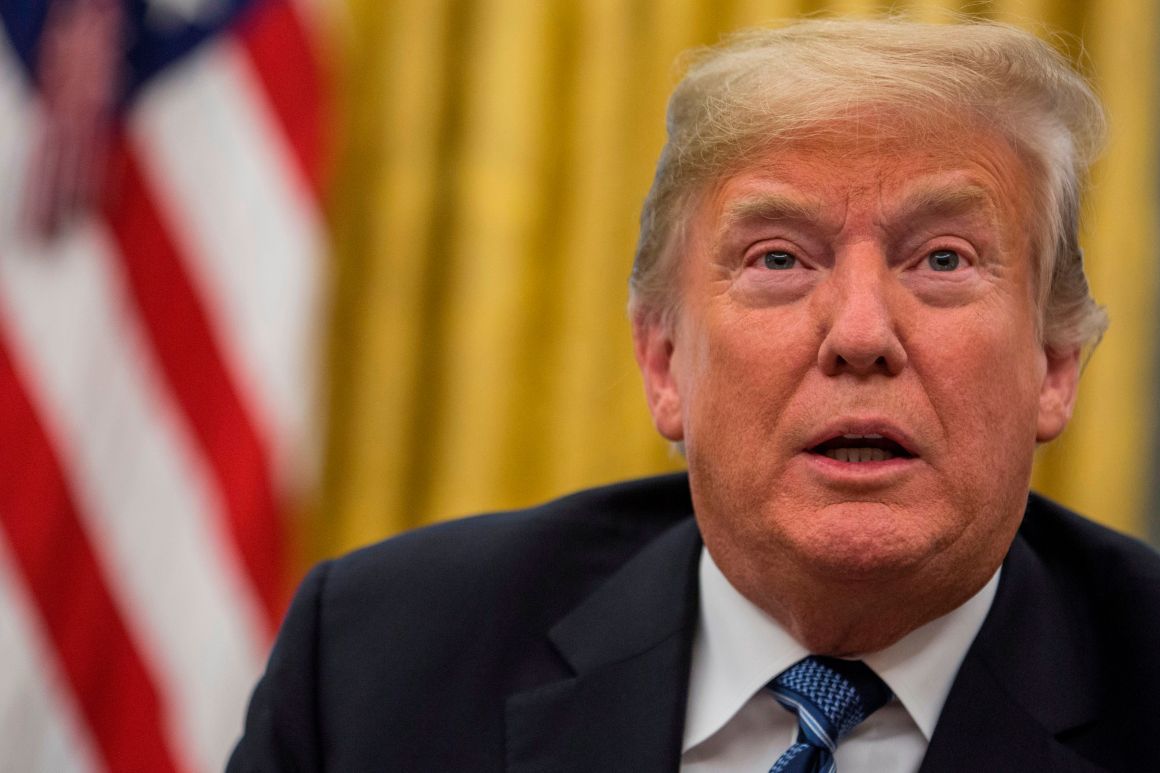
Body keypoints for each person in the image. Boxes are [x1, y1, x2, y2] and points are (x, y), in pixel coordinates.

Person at [229, 18, 1160, 772]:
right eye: (780, 258)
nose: (862, 334)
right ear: (665, 363)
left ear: (1054, 363)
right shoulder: (376, 664)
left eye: (944, 259)